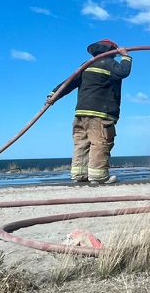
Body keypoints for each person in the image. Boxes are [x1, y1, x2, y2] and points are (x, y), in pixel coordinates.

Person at [47, 39, 132, 185]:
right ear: (111, 51)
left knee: (82, 143)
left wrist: (53, 95)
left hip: (81, 113)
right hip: (100, 113)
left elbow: (68, 83)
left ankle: (80, 174)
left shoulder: (85, 65)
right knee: (101, 142)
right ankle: (99, 176)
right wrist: (126, 57)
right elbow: (123, 72)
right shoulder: (108, 63)